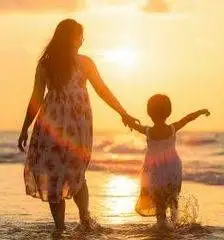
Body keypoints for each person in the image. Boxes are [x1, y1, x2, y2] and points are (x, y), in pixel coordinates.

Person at [17, 19, 137, 233]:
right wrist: (122, 113)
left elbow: (36, 99)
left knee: (54, 174)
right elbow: (102, 90)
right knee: (76, 173)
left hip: (51, 125)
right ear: (74, 38)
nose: (82, 40)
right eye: (80, 35)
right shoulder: (83, 62)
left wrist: (25, 127)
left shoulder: (47, 63)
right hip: (76, 125)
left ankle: (61, 228)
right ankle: (84, 220)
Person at [128, 94, 210, 228]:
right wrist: (201, 112)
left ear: (149, 113)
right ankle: (174, 225)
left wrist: (127, 120)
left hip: (155, 172)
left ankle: (162, 227)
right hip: (173, 169)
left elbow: (134, 125)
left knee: (159, 203)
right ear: (169, 112)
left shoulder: (148, 131)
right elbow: (187, 118)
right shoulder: (172, 128)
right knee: (173, 199)